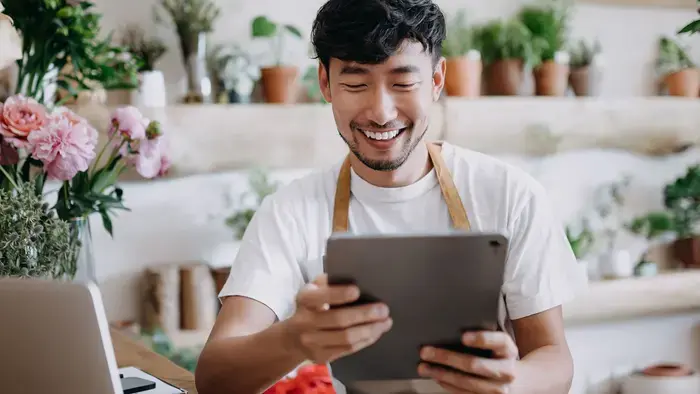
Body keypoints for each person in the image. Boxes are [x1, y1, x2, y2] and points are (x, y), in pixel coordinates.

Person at [195, 0, 585, 393]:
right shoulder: (288, 213)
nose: (380, 112)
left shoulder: (510, 195)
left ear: (436, 81)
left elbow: (554, 356)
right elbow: (214, 376)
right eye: (355, 83)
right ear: (326, 84)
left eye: (403, 83)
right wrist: (293, 339)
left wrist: (512, 384)